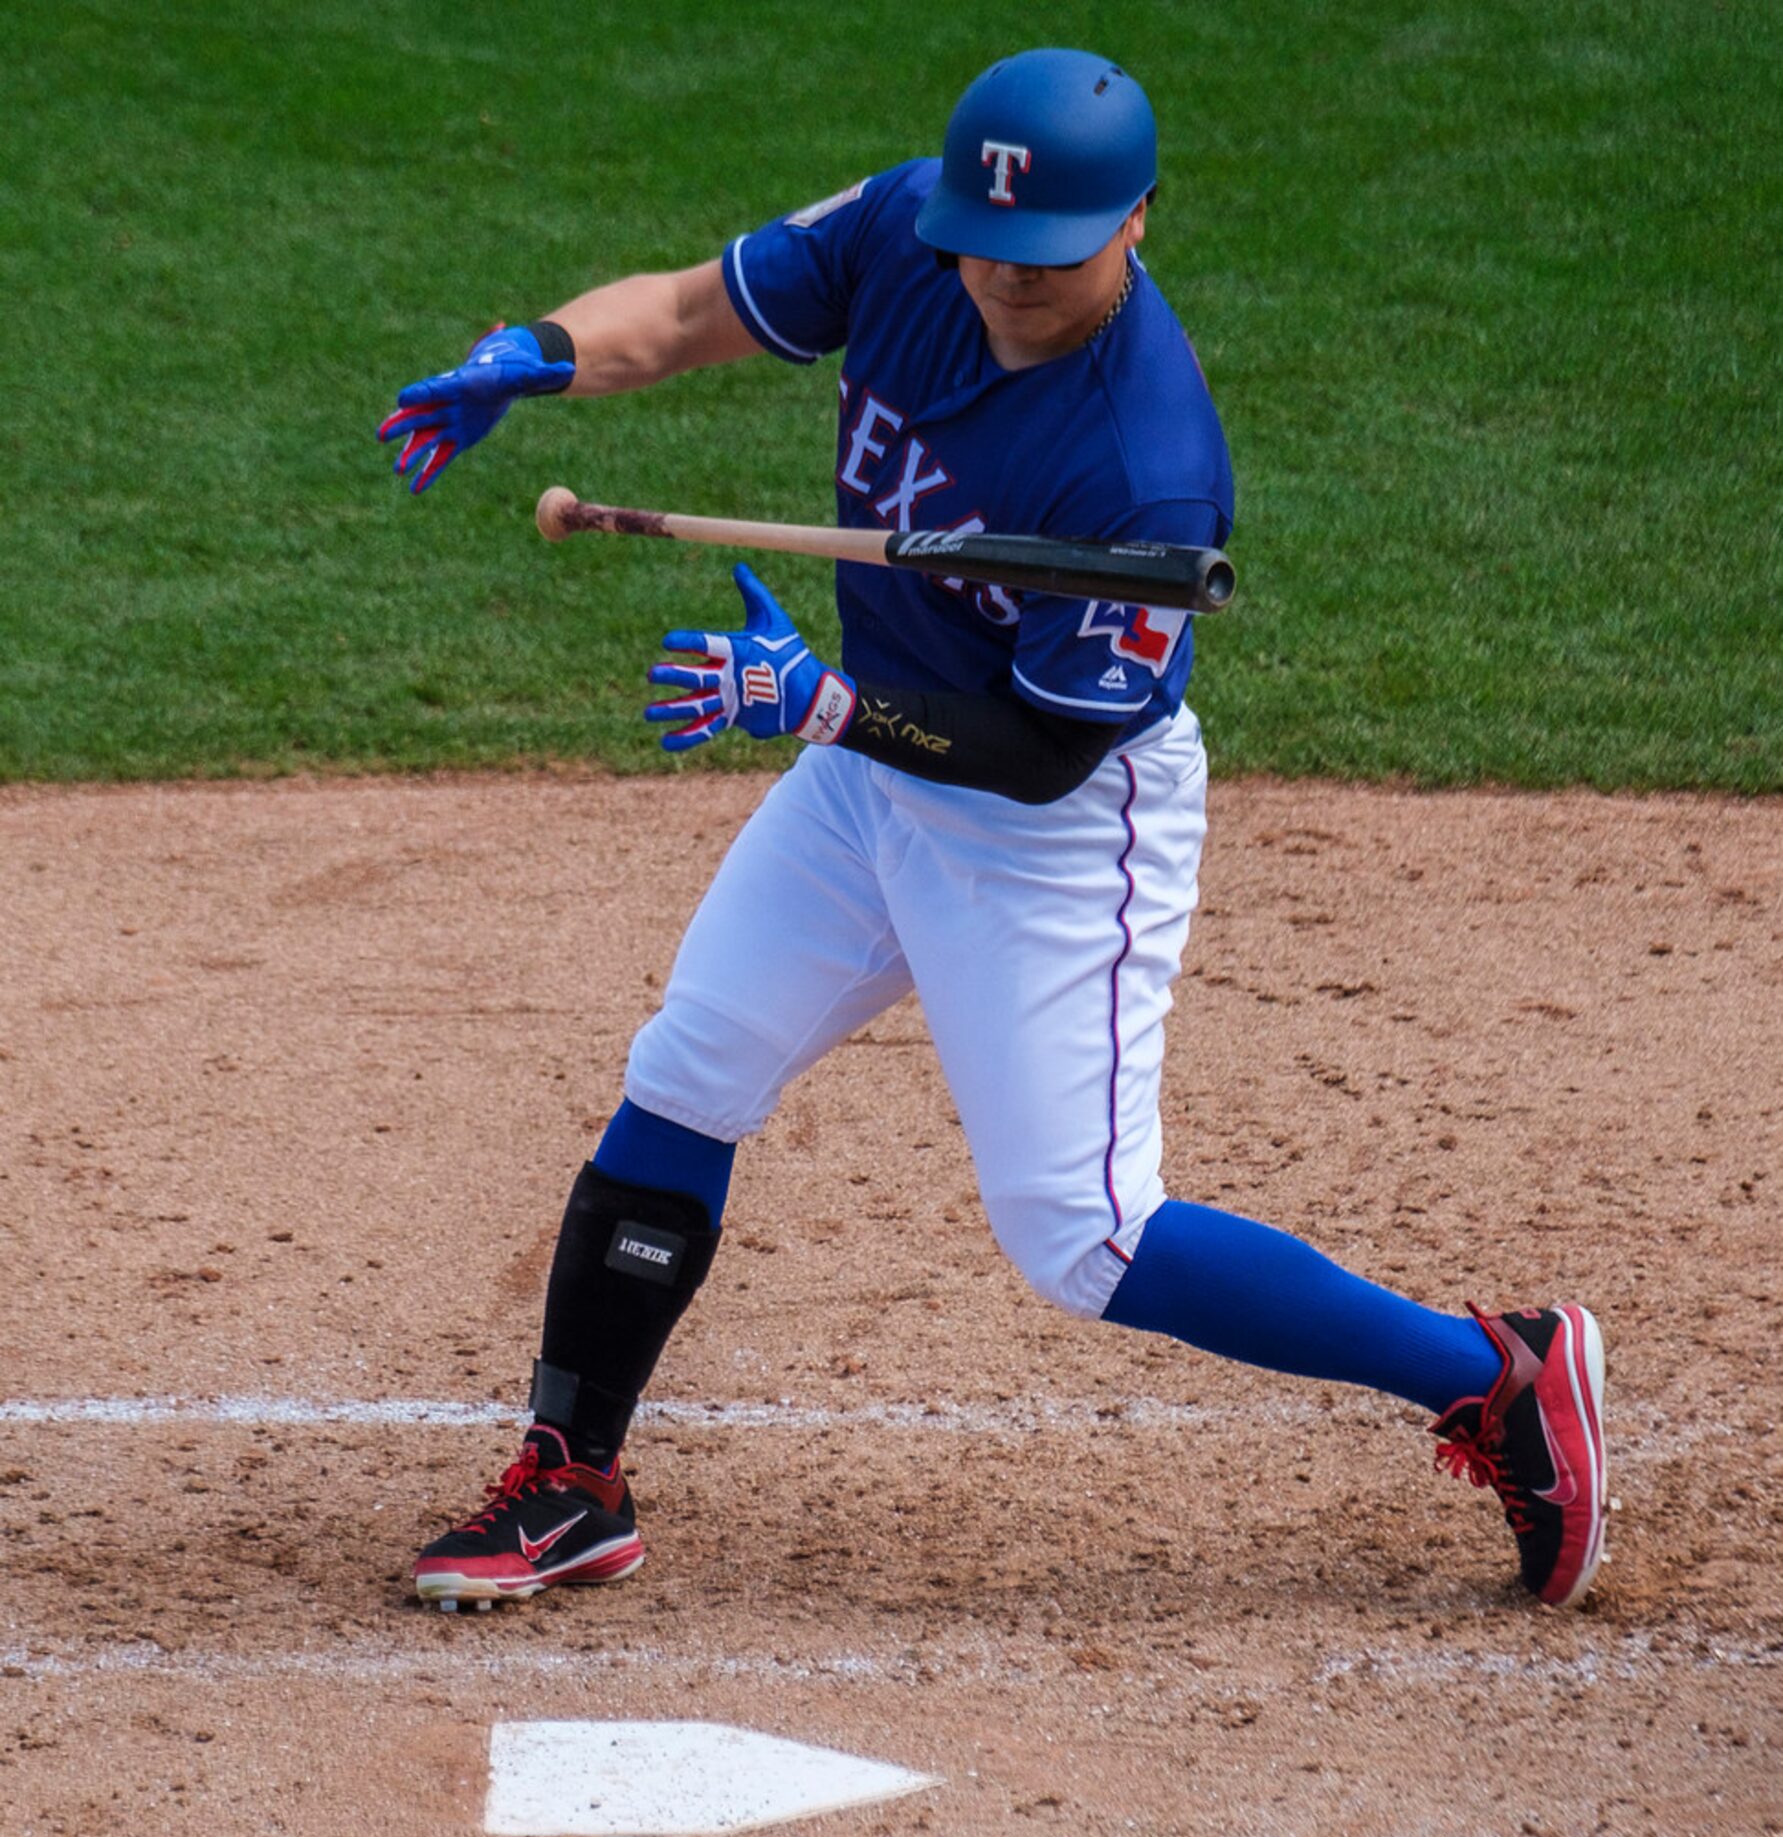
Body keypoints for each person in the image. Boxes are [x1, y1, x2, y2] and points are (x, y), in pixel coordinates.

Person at [379, 49, 1606, 1614]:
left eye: (1051, 257)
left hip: (1052, 828)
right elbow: (689, 314)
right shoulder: (904, 230)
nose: (1006, 283)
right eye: (986, 245)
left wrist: (818, 706)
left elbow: (1034, 753)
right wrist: (536, 354)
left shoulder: (1145, 472)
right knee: (690, 1068)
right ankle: (574, 1478)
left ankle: (1494, 1373)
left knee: (1084, 1237)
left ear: (1137, 225)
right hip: (868, 756)